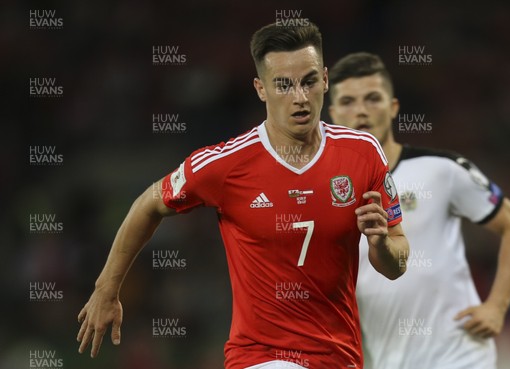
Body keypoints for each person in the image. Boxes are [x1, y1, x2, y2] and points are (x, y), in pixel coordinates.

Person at [76, 25, 410, 369]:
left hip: (340, 358)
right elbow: (150, 203)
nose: (300, 97)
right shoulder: (227, 164)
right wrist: (106, 288)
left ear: (325, 80)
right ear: (261, 89)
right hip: (260, 358)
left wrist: (381, 244)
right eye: (284, 84)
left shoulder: (363, 154)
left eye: (309, 81)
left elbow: (397, 265)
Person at [328, 52, 510, 369]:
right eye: (348, 102)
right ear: (331, 114)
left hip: (460, 355)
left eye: (372, 99)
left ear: (393, 107)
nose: (361, 111)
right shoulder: (327, 194)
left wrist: (496, 306)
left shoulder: (441, 170)